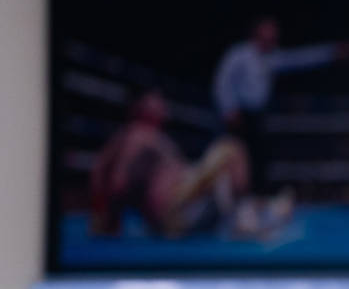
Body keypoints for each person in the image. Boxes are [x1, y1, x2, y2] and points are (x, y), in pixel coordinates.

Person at [87, 90, 290, 240]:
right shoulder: (138, 135)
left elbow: (103, 170)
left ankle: (254, 211)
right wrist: (108, 217)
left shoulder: (148, 139)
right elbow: (117, 181)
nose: (162, 105)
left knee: (220, 176)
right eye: (156, 101)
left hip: (182, 210)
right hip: (173, 207)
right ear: (143, 107)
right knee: (229, 148)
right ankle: (247, 213)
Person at [210, 16, 349, 198]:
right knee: (230, 157)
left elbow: (301, 58)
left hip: (257, 116)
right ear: (257, 32)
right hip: (236, 115)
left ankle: (254, 199)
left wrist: (331, 52)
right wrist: (228, 108)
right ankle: (226, 200)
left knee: (259, 159)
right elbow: (223, 81)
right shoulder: (239, 54)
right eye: (268, 31)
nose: (273, 36)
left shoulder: (272, 57)